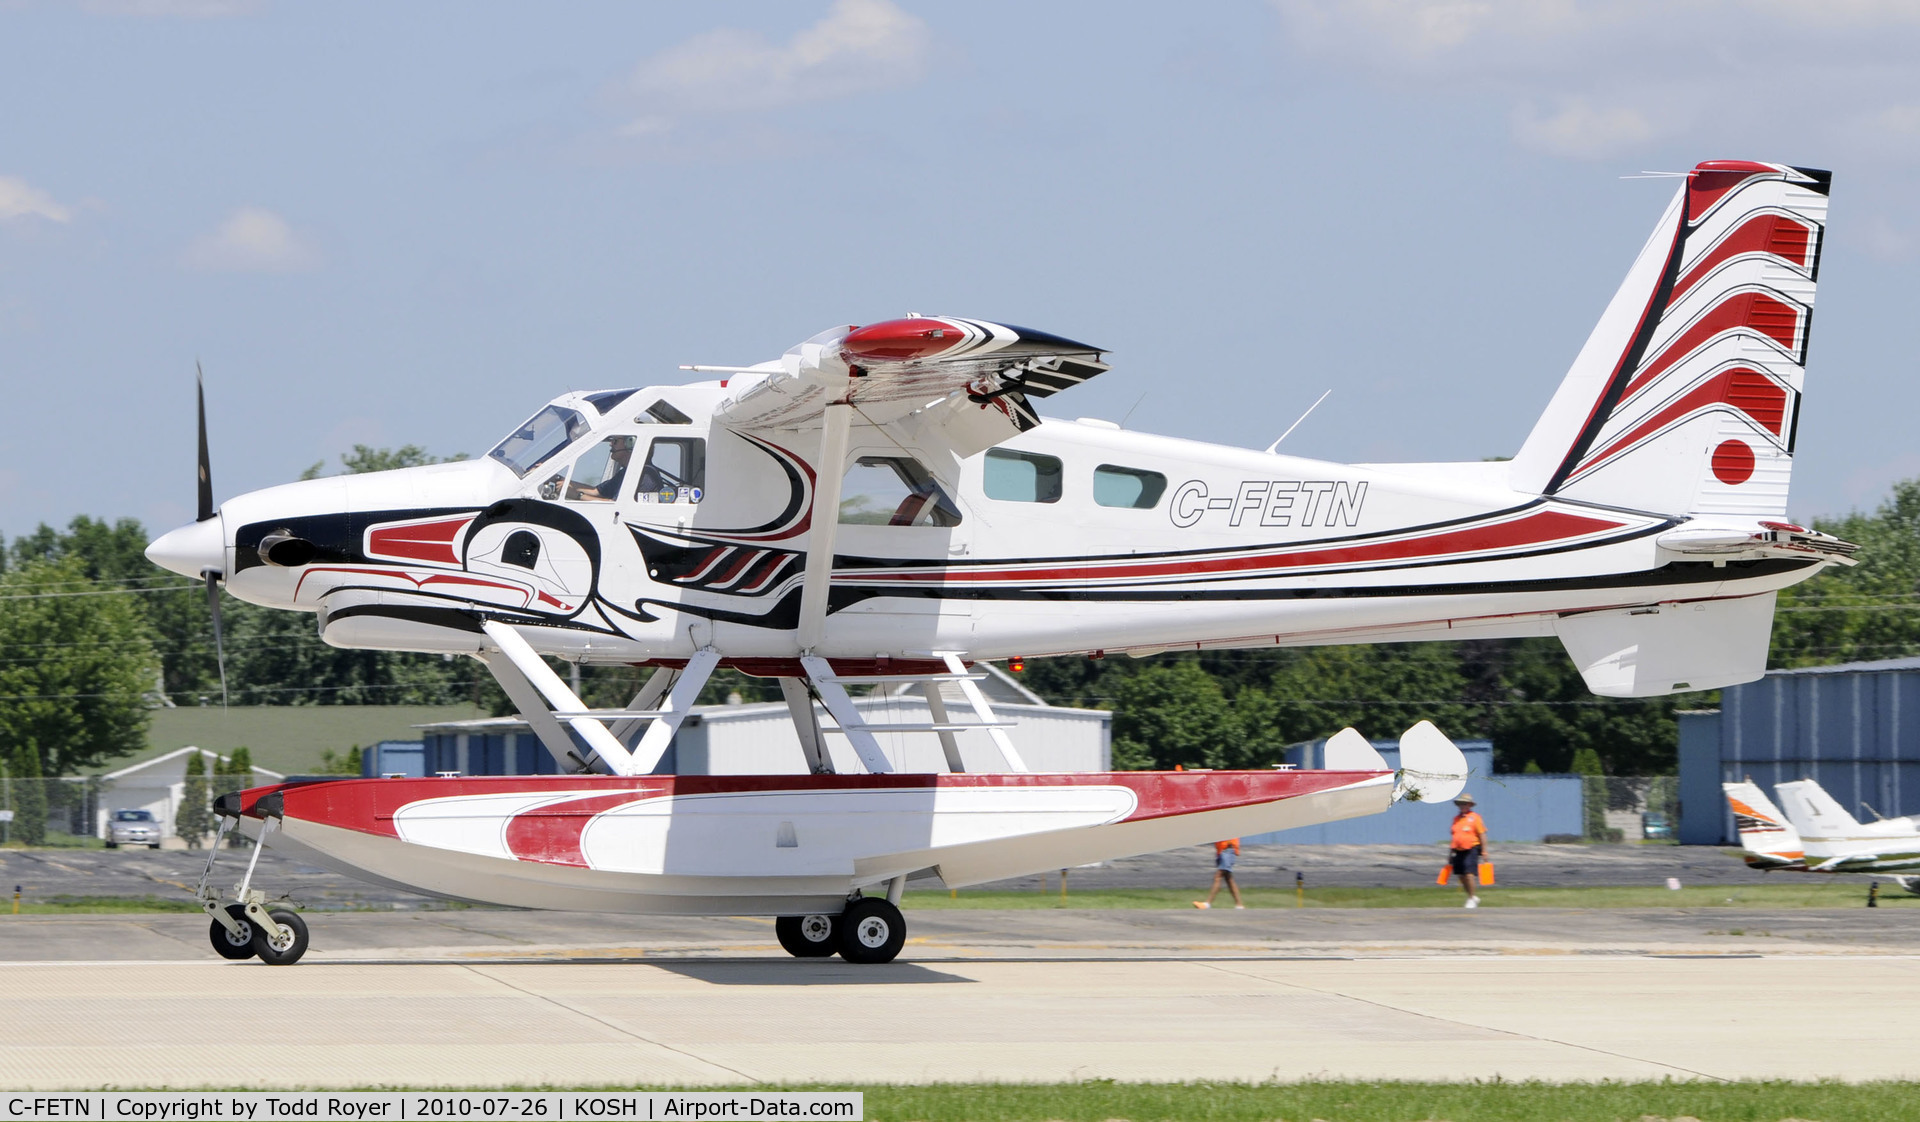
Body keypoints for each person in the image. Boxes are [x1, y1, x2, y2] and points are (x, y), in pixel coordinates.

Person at [1449, 793, 1488, 908]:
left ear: (1469, 805)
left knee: (1469, 874)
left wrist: (1484, 851)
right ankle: (1472, 896)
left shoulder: (1475, 818)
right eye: (1460, 804)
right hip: (1458, 849)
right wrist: (1450, 853)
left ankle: (1471, 898)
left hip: (1472, 848)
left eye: (1464, 803)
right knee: (1461, 875)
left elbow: (1482, 835)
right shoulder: (1456, 819)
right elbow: (1454, 836)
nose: (1462, 806)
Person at [1193, 838, 1245, 910]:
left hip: (1228, 849)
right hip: (1222, 850)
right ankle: (1239, 905)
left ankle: (1207, 903)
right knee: (1229, 879)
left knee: (1218, 876)